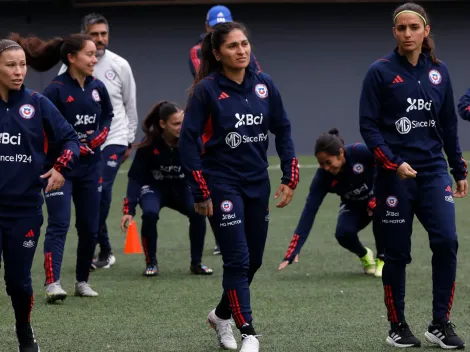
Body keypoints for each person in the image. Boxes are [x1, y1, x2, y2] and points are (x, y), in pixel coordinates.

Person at [179, 21, 299, 352]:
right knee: (237, 259)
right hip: (221, 184)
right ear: (217, 54)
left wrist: (290, 175)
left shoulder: (265, 85)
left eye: (245, 44)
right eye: (232, 46)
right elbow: (187, 142)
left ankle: (220, 315)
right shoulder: (206, 90)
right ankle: (248, 332)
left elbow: (284, 129)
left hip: (257, 182)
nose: (241, 51)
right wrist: (200, 191)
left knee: (254, 261)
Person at [359, 2, 467, 349]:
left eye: (414, 28)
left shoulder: (440, 73)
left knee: (447, 242)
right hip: (395, 176)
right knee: (397, 254)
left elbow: (449, 124)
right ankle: (397, 325)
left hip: (434, 171)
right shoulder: (379, 72)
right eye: (401, 28)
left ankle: (440, 323)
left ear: (425, 31)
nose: (408, 33)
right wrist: (392, 163)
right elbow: (369, 126)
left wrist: (458, 169)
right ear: (394, 32)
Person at [11, 33, 114, 303]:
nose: (94, 59)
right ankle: (53, 283)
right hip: (60, 169)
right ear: (71, 58)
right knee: (59, 223)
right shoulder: (55, 90)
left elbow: (107, 116)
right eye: (89, 54)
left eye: (95, 54)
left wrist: (99, 137)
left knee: (90, 227)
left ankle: (82, 281)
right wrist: (71, 146)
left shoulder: (98, 87)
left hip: (91, 168)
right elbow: (45, 129)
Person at [0, 38, 79, 352]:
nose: (19, 71)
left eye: (22, 64)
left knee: (18, 282)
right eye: (10, 65)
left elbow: (70, 139)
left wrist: (60, 167)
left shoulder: (37, 102)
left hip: (25, 210)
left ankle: (24, 334)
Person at [59, 13, 138, 269]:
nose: (101, 39)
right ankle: (103, 247)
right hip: (82, 144)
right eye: (95, 35)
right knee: (92, 195)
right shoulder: (67, 69)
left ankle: (97, 246)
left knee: (101, 194)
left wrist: (128, 139)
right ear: (84, 35)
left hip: (113, 138)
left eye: (104, 34)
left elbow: (129, 103)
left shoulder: (120, 64)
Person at [189, 5, 261, 256]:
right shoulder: (199, 52)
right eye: (215, 26)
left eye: (225, 24)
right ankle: (221, 230)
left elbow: (255, 75)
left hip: (238, 115)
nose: (240, 50)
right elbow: (205, 72)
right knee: (210, 171)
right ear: (207, 28)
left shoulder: (242, 50)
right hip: (212, 111)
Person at [120, 101, 213, 277]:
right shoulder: (149, 144)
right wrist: (128, 209)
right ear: (163, 124)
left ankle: (196, 263)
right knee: (149, 213)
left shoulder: (191, 141)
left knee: (198, 212)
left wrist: (207, 195)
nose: (181, 127)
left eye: (183, 123)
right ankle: (151, 263)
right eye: (176, 124)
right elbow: (135, 178)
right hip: (154, 189)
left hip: (182, 188)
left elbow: (205, 169)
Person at [278, 129, 385, 277]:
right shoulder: (322, 178)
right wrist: (294, 248)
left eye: (328, 162)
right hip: (353, 205)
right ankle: (365, 255)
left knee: (381, 212)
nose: (326, 167)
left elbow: (387, 164)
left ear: (341, 154)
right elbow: (309, 211)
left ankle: (382, 258)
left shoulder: (359, 152)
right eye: (321, 163)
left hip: (377, 197)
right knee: (343, 234)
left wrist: (379, 195)